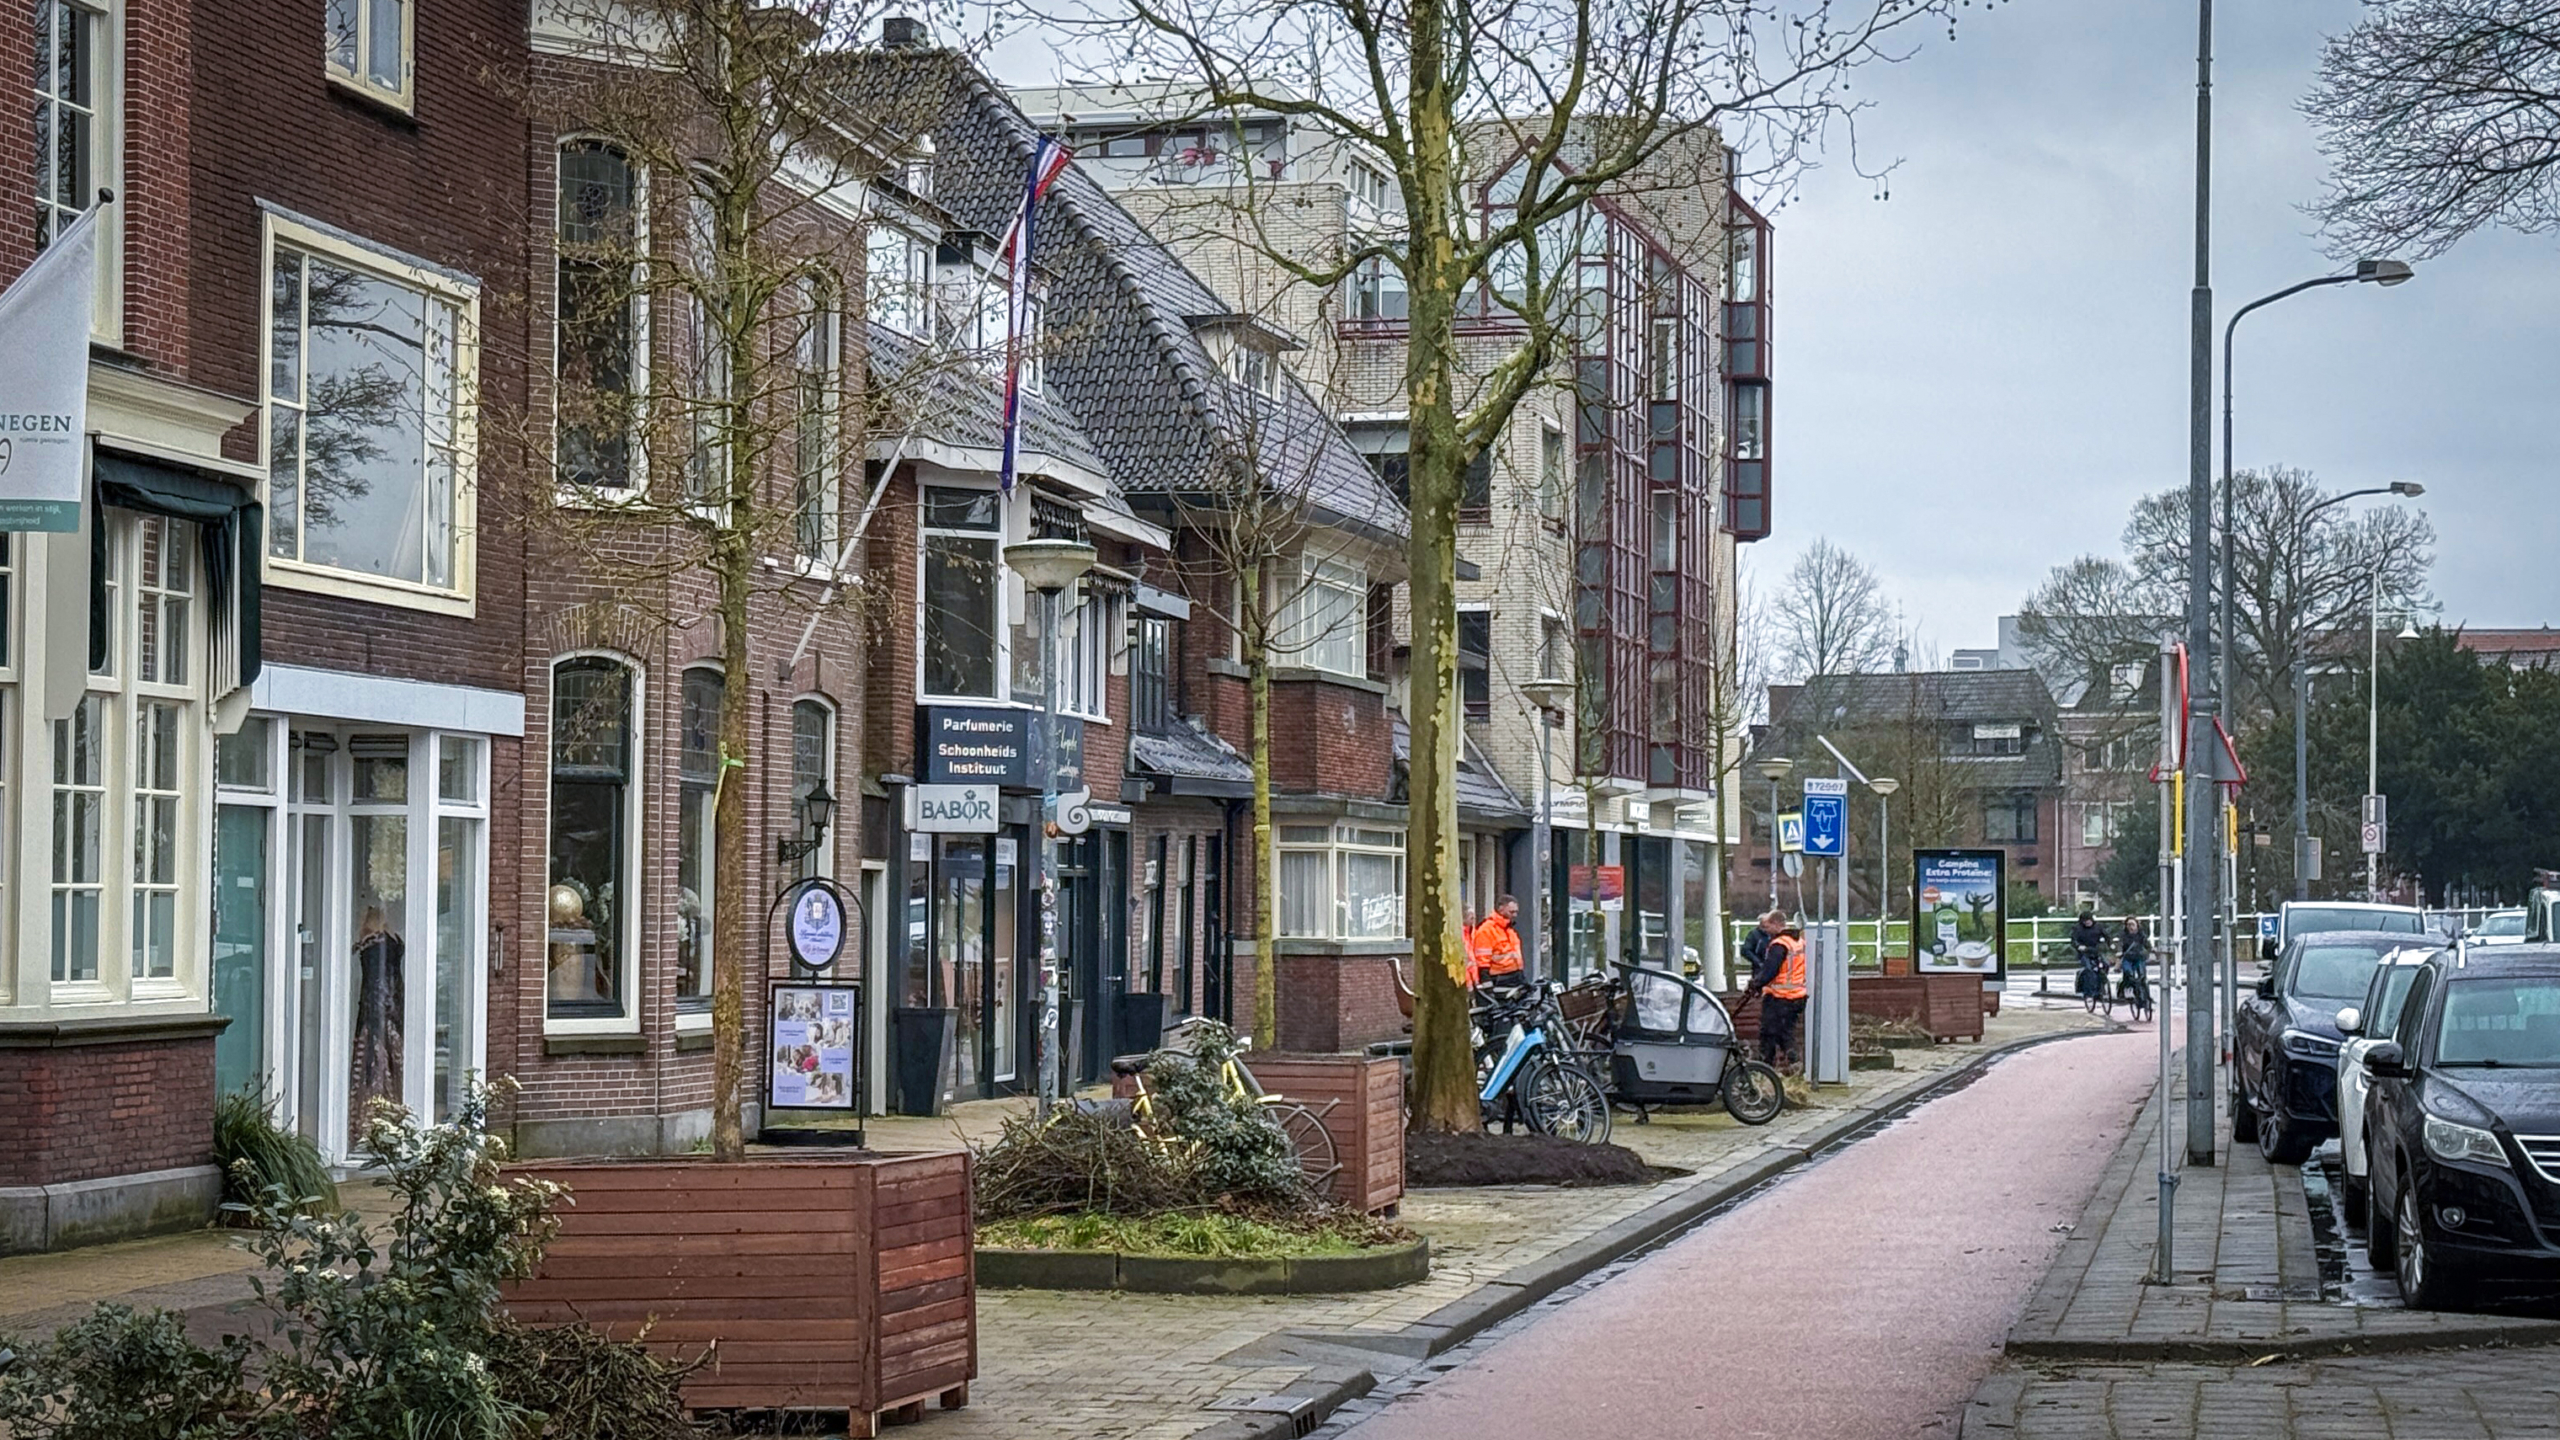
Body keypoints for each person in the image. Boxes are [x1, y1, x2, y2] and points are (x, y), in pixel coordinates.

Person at [1743, 915, 1807, 1069]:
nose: (1765, 931)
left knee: (1769, 1033)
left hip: (1780, 997)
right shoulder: (1798, 942)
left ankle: (1766, 1067)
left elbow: (1769, 971)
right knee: (1785, 1032)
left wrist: (1755, 984)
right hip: (1797, 995)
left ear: (1776, 924)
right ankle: (1793, 1062)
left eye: (1766, 927)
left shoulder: (1779, 945)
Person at [1468, 895, 1527, 992]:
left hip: (1515, 977)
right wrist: (1487, 983)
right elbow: (1482, 960)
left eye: (1516, 912)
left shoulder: (1509, 930)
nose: (1515, 915)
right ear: (1501, 909)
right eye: (1511, 912)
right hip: (1500, 980)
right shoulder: (1486, 930)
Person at [2070, 905, 2109, 1004]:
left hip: (2096, 951)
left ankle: (2102, 984)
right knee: (2088, 969)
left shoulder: (2098, 927)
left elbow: (2106, 936)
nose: (2088, 922)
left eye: (2089, 920)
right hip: (2084, 953)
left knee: (2106, 965)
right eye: (2085, 921)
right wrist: (2079, 946)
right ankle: (2089, 993)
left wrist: (2108, 945)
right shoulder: (2077, 929)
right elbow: (2074, 940)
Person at [2119, 917, 2154, 1013]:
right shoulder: (2124, 936)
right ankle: (2127, 991)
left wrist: (2150, 951)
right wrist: (2118, 952)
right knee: (2128, 973)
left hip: (2139, 958)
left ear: (2137, 925)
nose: (2130, 927)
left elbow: (2148, 946)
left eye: (2132, 924)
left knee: (2142, 977)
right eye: (2128, 925)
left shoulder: (2141, 935)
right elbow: (2120, 946)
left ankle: (2147, 998)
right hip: (2128, 958)